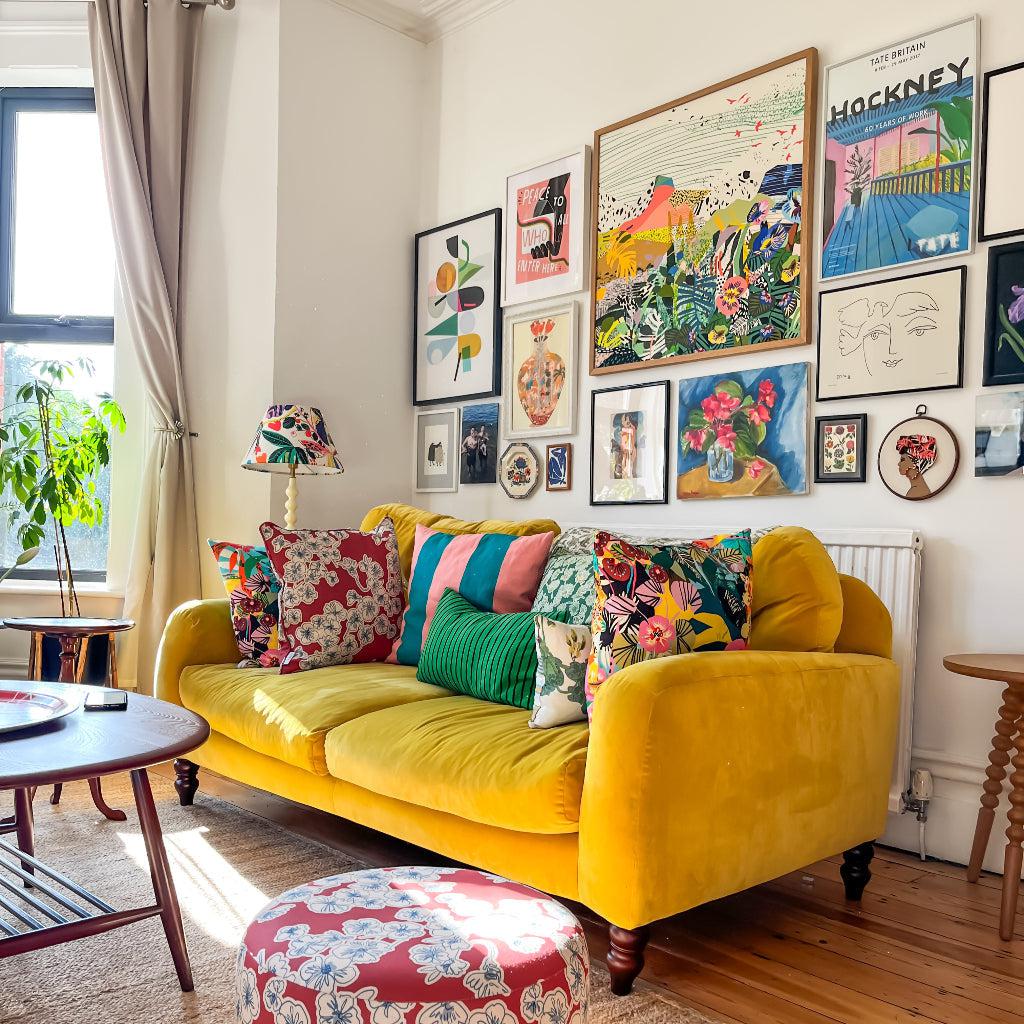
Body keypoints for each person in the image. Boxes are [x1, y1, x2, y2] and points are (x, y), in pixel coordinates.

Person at [895, 433, 936, 499]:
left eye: (902, 460)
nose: (898, 464)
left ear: (916, 462)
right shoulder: (919, 488)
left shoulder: (914, 492)